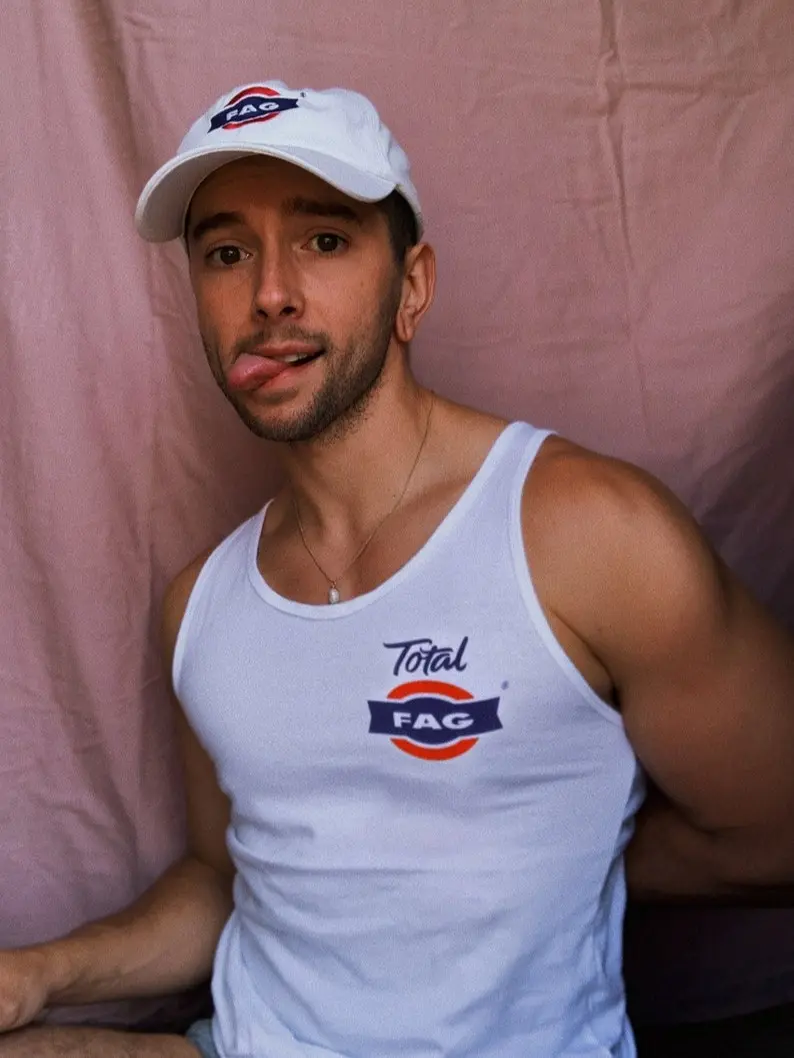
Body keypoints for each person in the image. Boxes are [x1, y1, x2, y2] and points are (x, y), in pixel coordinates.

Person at [1, 79, 794, 1058]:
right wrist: (36, 974)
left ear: (410, 287)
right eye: (225, 252)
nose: (269, 293)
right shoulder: (198, 605)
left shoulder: (587, 533)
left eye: (323, 239)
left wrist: (560, 856)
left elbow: (774, 829)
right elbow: (227, 877)